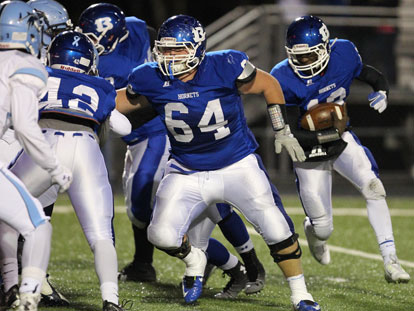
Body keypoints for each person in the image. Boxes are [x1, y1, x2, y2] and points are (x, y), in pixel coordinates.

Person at [116, 14, 320, 311]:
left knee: (277, 228)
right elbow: (117, 101)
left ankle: (301, 295)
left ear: (198, 48)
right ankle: (195, 258)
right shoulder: (149, 76)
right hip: (186, 169)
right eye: (165, 49)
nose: (169, 57)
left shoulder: (225, 65)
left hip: (236, 164)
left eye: (178, 49)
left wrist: (281, 128)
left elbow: (269, 85)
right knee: (159, 234)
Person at [78, 3, 266, 296]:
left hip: (159, 132)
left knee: (197, 208)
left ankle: (244, 265)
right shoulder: (134, 32)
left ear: (112, 35)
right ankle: (149, 263)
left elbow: (139, 100)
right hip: (143, 134)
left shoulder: (130, 46)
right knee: (152, 214)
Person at [270, 15, 410, 284]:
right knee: (323, 229)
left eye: (310, 56)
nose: (303, 62)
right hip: (306, 150)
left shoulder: (343, 53)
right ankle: (314, 234)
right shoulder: (282, 76)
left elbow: (371, 74)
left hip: (341, 138)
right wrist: (326, 134)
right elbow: (290, 132)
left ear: (324, 48)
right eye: (297, 57)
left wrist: (382, 90)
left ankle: (391, 260)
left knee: (374, 188)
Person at [9, 30, 132, 311]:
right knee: (100, 234)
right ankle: (111, 300)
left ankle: (26, 289)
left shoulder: (38, 73)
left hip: (45, 142)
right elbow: (125, 127)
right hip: (87, 148)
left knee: (12, 216)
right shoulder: (99, 85)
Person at [0, 0, 74, 308]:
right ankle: (28, 293)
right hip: (12, 149)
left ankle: (14, 286)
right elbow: (27, 128)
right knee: (37, 226)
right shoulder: (27, 66)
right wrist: (55, 167)